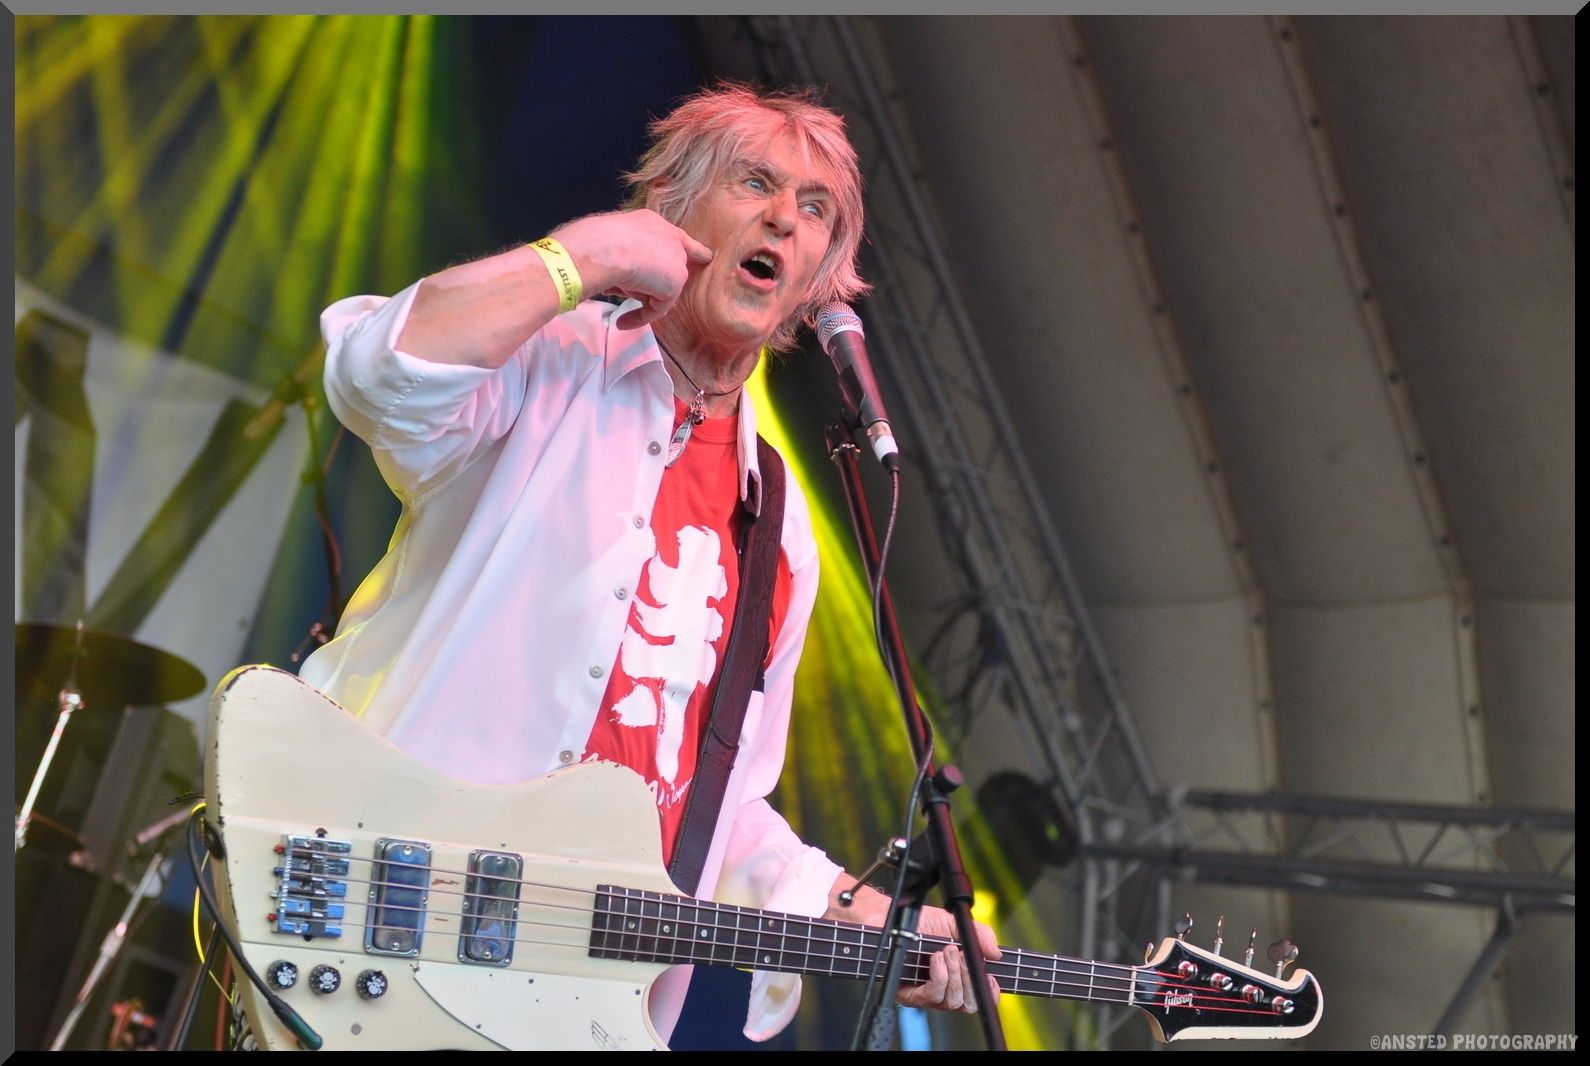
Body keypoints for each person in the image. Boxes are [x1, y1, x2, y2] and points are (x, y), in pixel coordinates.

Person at [298, 82, 999, 1045]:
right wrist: (581, 258)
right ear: (672, 202)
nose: (783, 220)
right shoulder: (546, 360)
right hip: (375, 917)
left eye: (815, 211)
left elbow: (720, 806)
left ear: (817, 281)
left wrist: (863, 913)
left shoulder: (780, 525)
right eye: (754, 182)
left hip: (562, 1002)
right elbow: (377, 377)